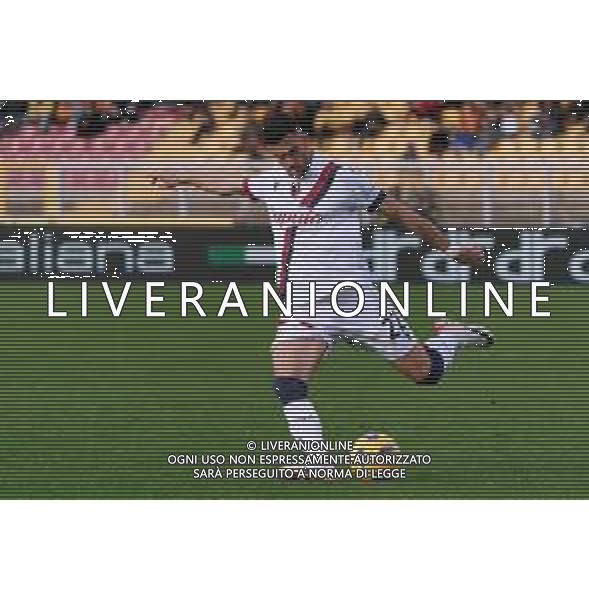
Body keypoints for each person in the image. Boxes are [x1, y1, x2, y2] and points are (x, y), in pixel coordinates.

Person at [153, 113, 494, 451]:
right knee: (288, 382)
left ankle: (448, 337)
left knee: (426, 375)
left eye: (291, 151)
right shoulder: (267, 180)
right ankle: (316, 462)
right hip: (303, 301)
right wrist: (185, 178)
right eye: (278, 156)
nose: (287, 161)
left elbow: (402, 212)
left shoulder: (343, 177)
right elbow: (227, 187)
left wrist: (452, 248)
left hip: (356, 298)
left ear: (302, 137)